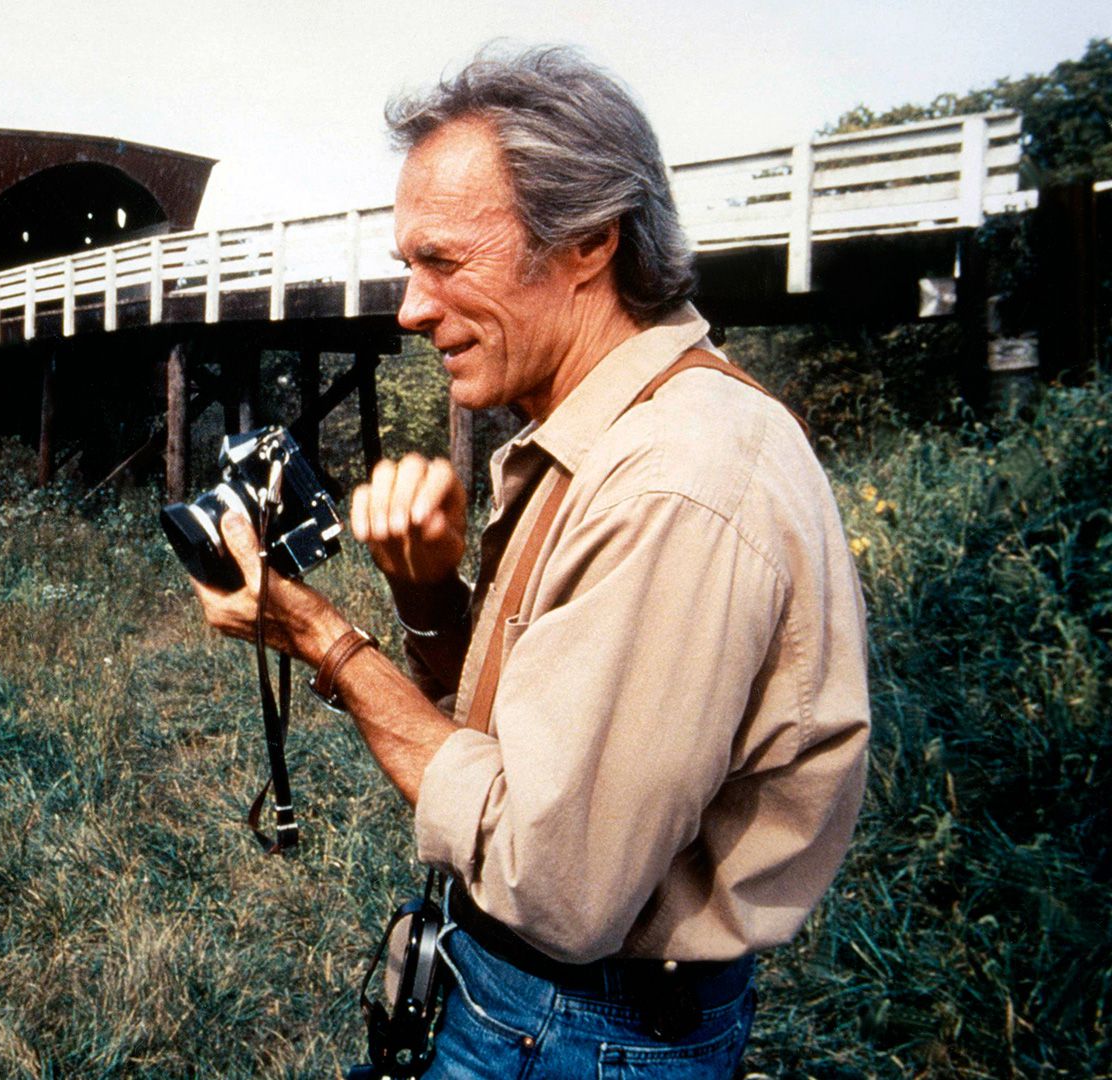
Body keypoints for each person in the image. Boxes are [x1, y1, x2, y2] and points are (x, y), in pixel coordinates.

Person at [190, 47, 869, 1076]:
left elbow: (553, 881)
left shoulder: (672, 487)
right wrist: (425, 594)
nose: (411, 308)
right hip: (542, 1007)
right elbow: (524, 742)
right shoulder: (614, 432)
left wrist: (320, 636)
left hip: (584, 1028)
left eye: (444, 262)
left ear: (589, 241)